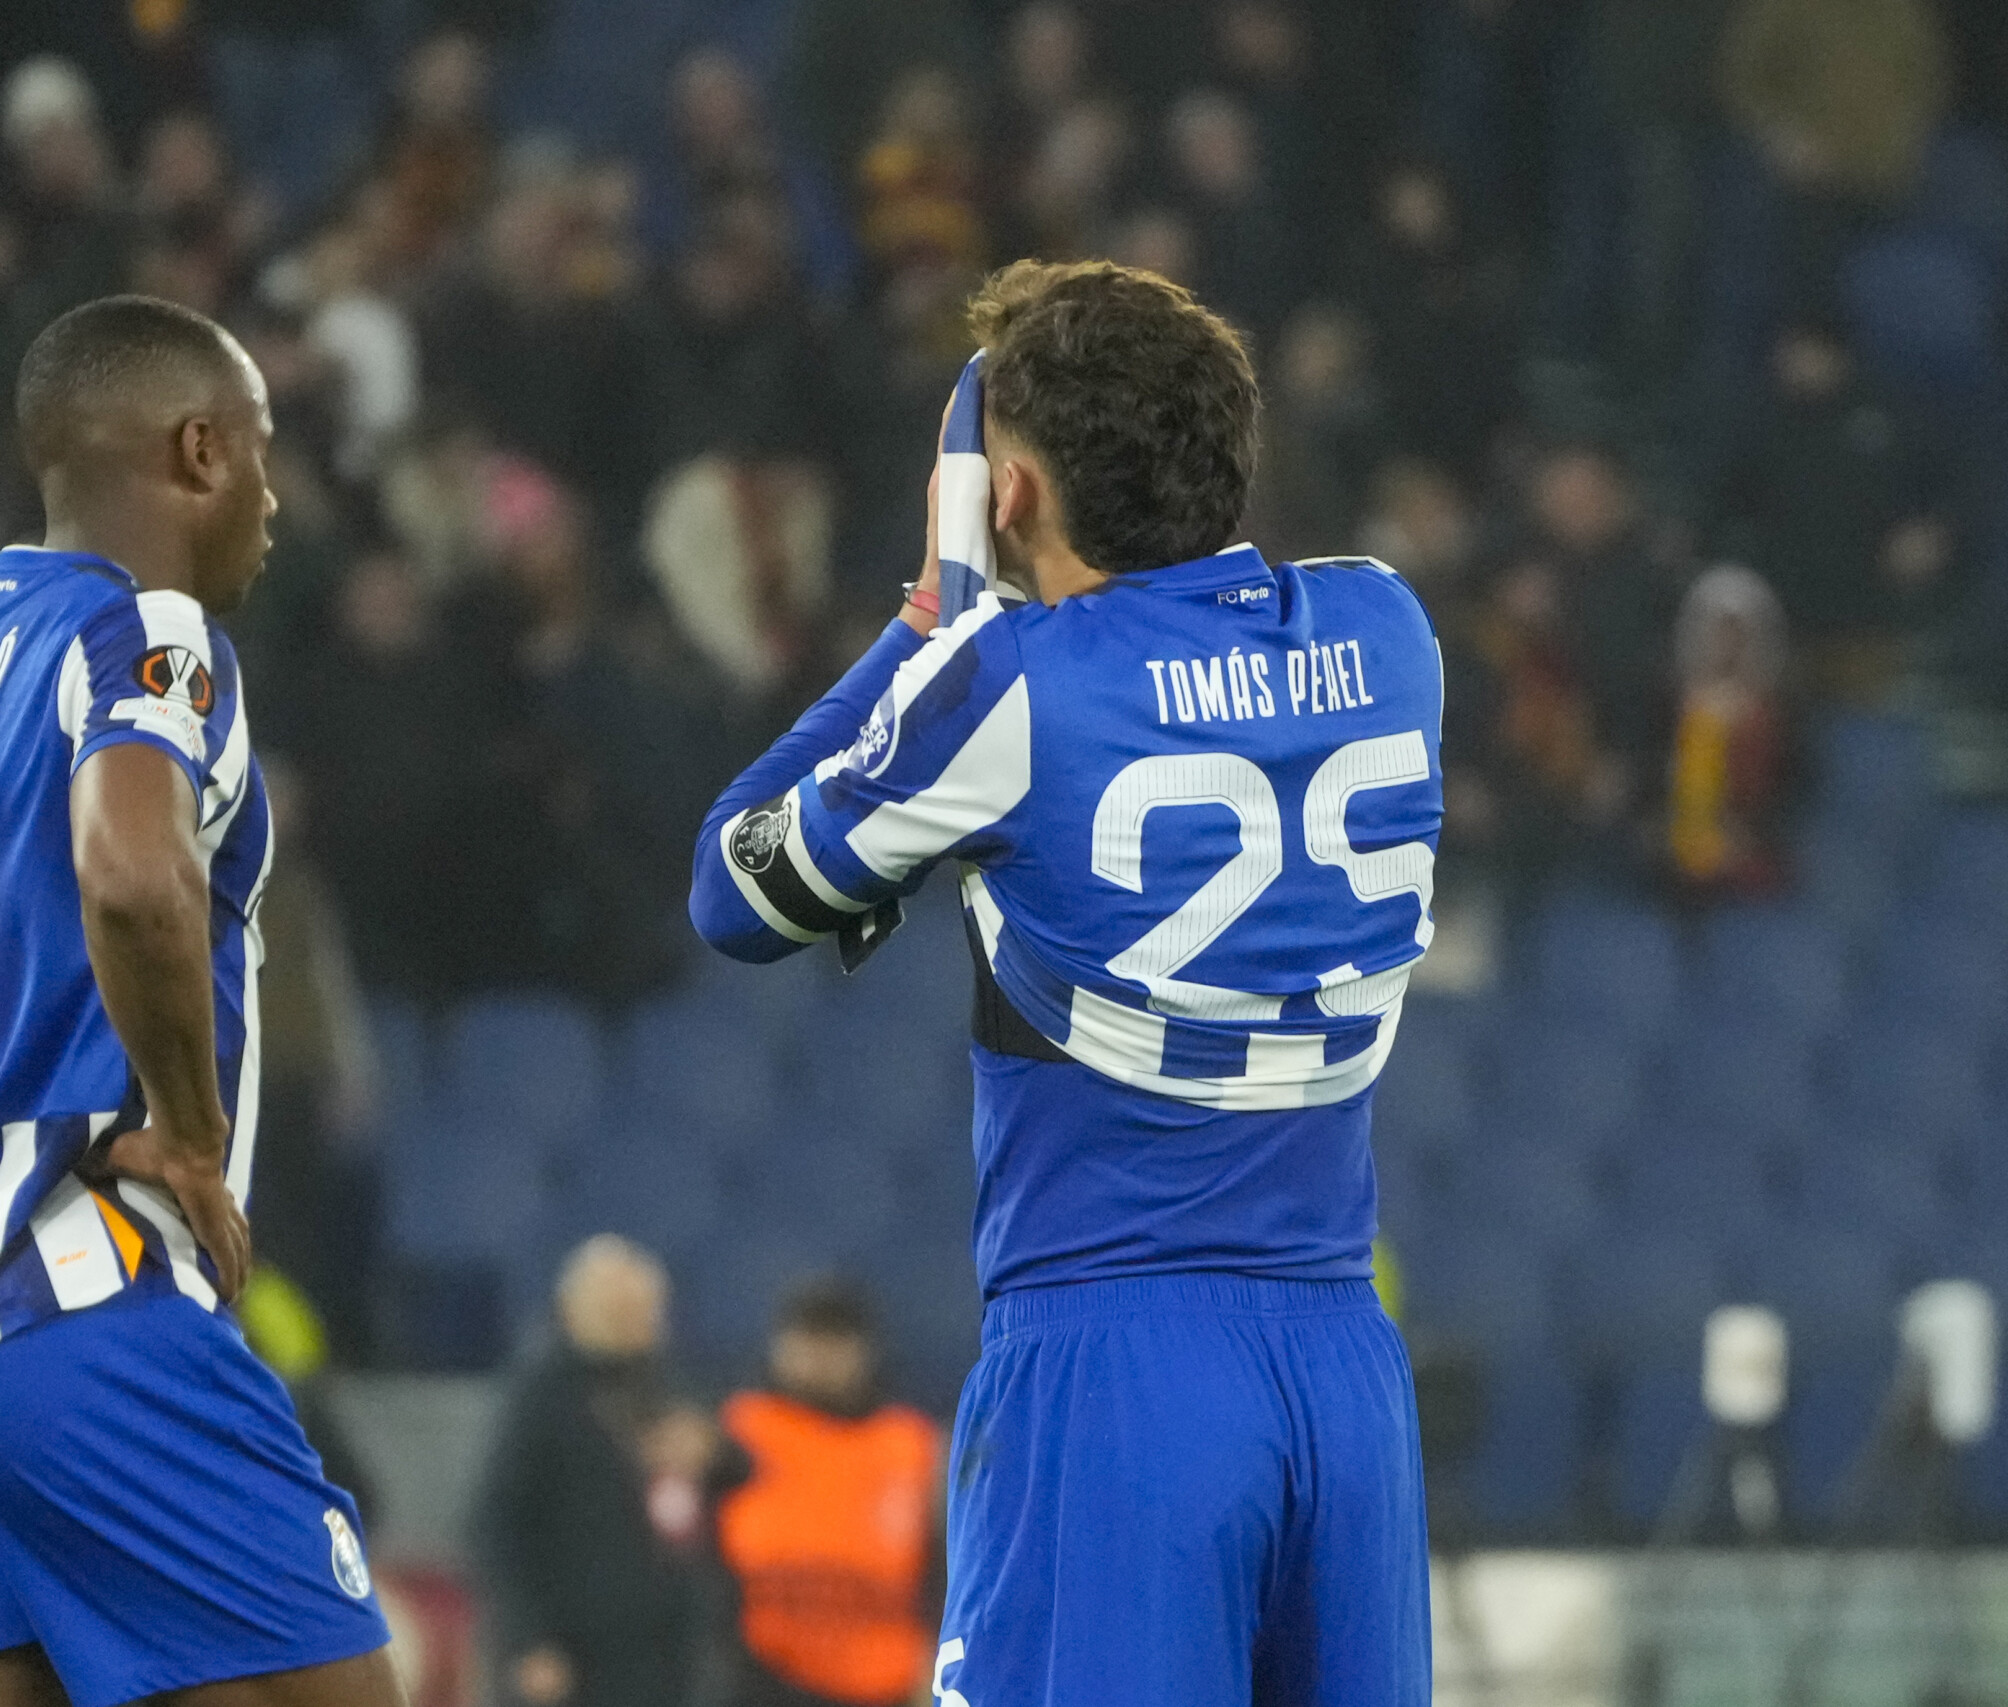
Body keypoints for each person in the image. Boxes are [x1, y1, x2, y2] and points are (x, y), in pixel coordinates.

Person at [690, 260, 1442, 1705]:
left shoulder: (1007, 686)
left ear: (1009, 491)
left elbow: (734, 887)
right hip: (1345, 1372)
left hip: (1115, 1364)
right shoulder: (1390, 631)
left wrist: (930, 609)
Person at [0, 294, 405, 1707]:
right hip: (79, 1300)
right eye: (263, 454)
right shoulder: (156, 636)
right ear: (201, 450)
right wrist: (189, 1133)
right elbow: (134, 874)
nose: (274, 496)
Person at [471, 1236, 719, 1707]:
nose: (632, 1320)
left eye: (640, 1308)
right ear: (573, 1311)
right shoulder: (541, 1395)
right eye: (615, 1309)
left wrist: (714, 1453)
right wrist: (528, 1640)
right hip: (574, 1652)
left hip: (665, 1652)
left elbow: (737, 1476)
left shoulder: (669, 1385)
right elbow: (496, 1527)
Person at [715, 1279, 942, 1707]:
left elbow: (939, 1565)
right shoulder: (741, 1432)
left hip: (883, 1680)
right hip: (764, 1675)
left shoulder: (908, 1443)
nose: (820, 1357)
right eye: (808, 1338)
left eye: (835, 1340)